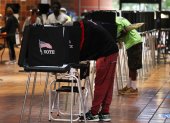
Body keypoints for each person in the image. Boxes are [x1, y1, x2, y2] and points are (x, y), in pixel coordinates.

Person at [73, 19, 119, 121]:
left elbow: (81, 44)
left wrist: (76, 57)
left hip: (106, 54)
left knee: (100, 83)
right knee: (108, 84)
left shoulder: (81, 27)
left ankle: (94, 113)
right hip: (112, 51)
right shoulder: (87, 25)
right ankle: (105, 112)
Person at [116, 16, 143, 95]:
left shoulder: (117, 22)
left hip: (134, 42)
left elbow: (121, 33)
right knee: (131, 65)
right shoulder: (119, 18)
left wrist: (116, 37)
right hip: (132, 43)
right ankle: (129, 86)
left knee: (133, 66)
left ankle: (134, 88)